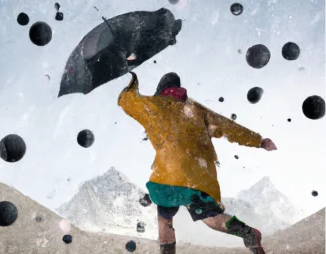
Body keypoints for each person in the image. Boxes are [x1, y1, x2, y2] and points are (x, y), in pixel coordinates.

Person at [118, 72, 277, 254]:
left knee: (164, 219)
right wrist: (259, 141)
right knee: (212, 218)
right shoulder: (197, 109)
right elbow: (228, 127)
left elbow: (127, 101)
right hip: (198, 178)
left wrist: (132, 79)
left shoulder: (153, 106)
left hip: (167, 178)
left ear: (160, 90)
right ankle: (247, 233)